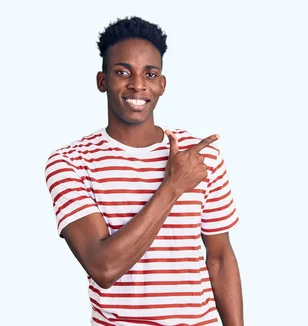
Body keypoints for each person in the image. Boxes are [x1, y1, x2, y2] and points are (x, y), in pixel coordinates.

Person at [44, 16, 244, 326]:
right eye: (123, 72)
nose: (138, 84)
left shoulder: (201, 156)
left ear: (162, 84)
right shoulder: (70, 162)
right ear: (102, 81)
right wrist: (173, 187)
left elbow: (219, 258)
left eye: (149, 74)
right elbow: (104, 268)